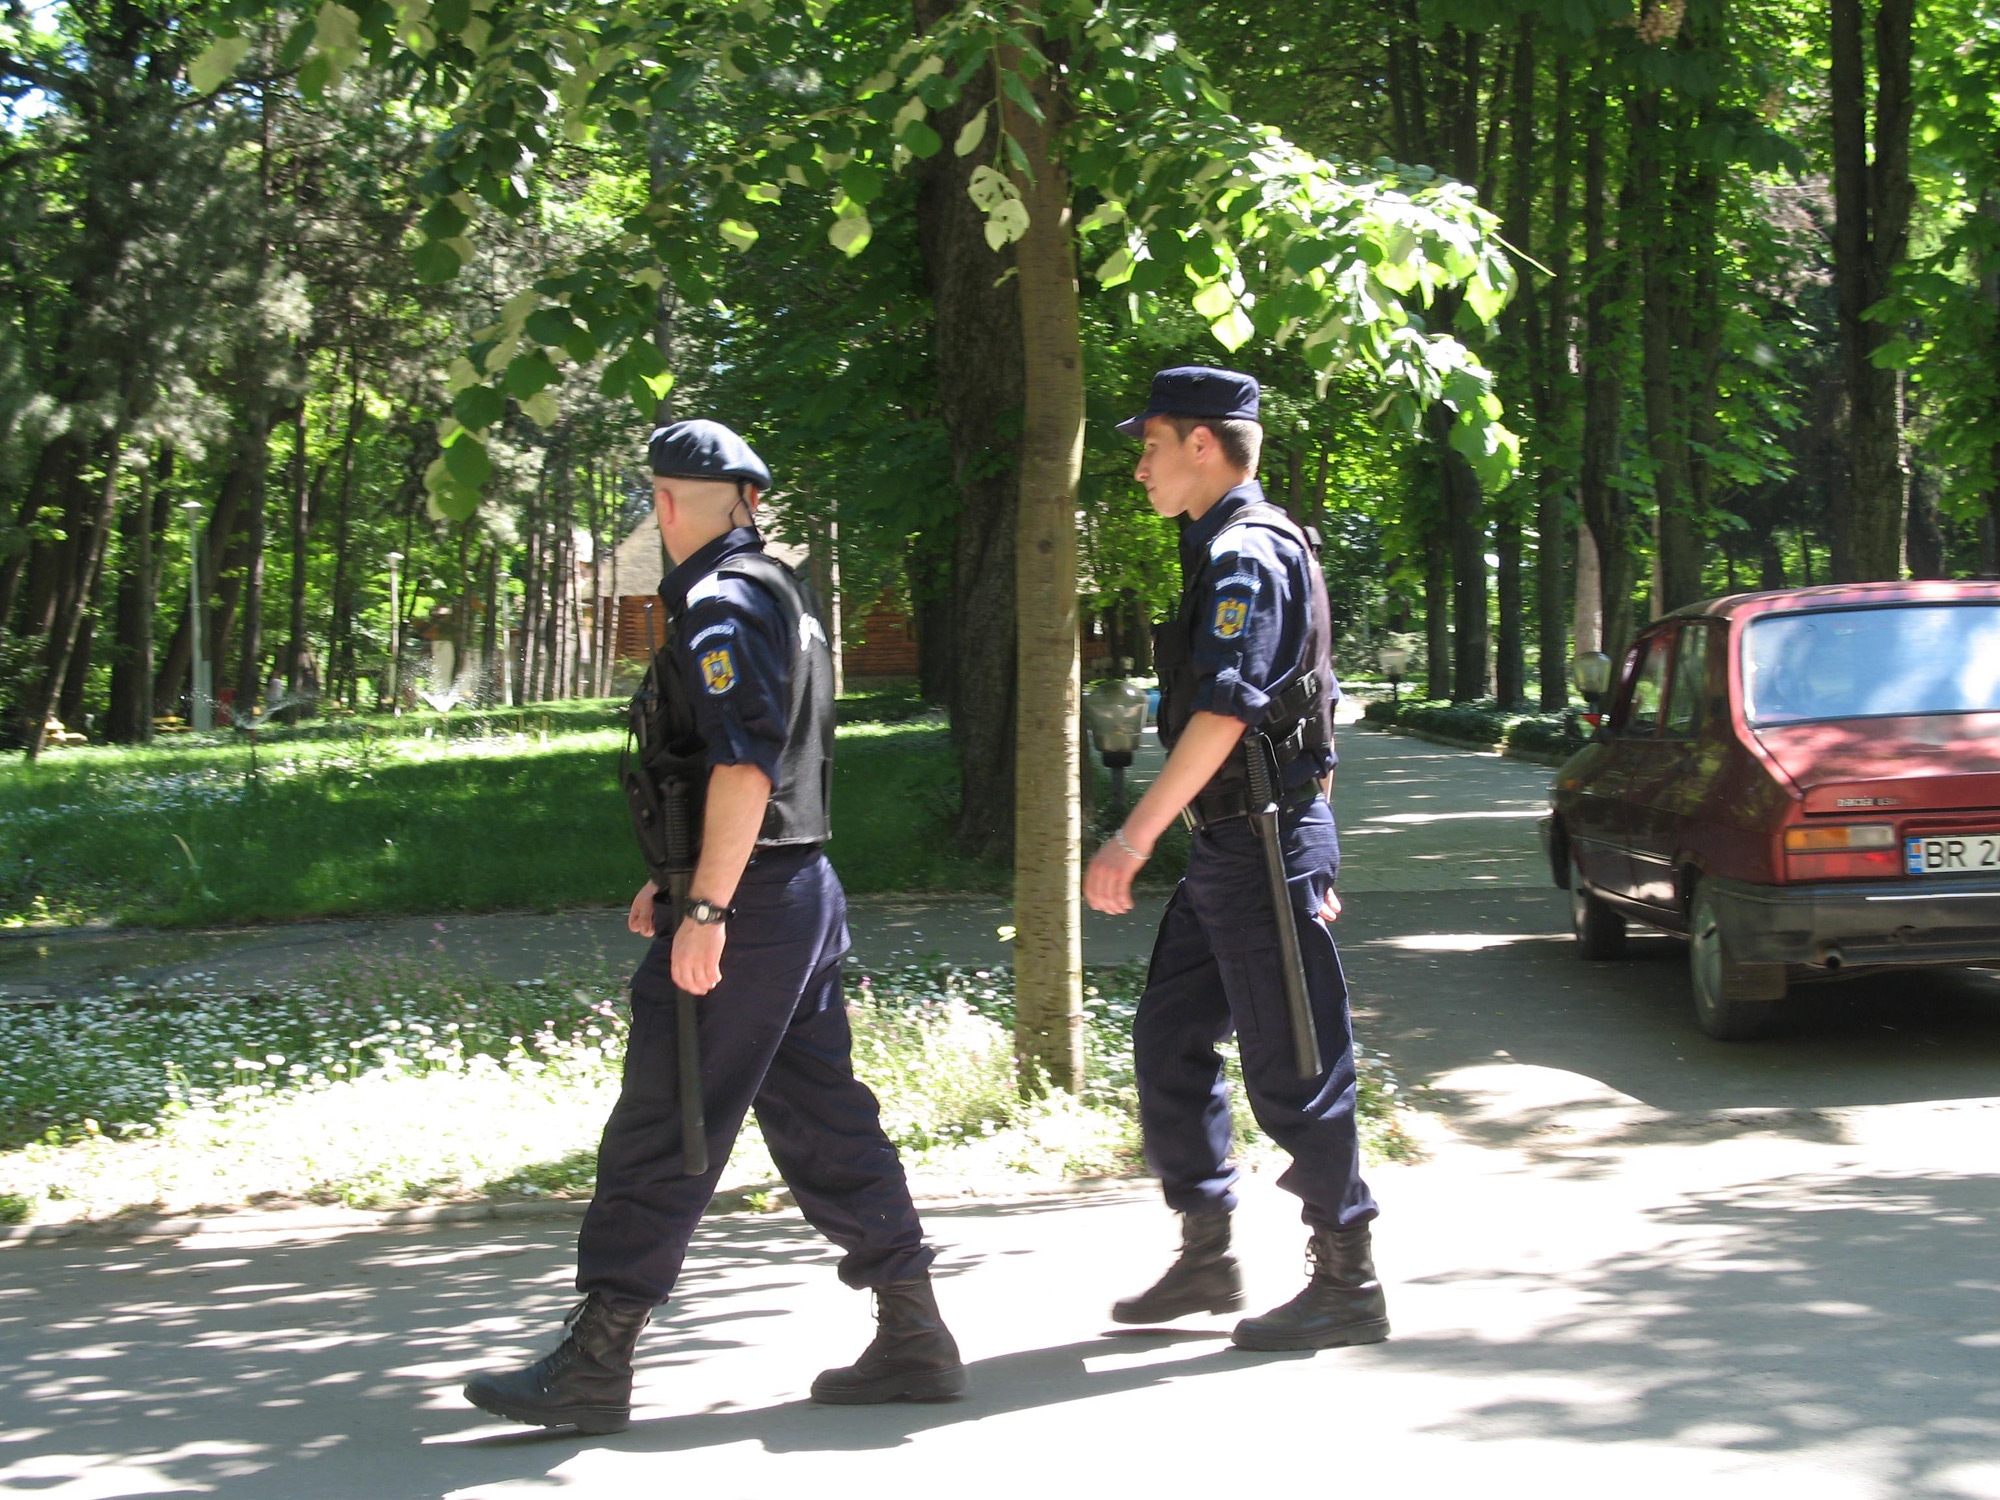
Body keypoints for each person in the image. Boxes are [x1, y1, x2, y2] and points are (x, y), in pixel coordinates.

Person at [462, 419, 964, 1434]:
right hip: (795, 888)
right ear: (750, 498)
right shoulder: (780, 590)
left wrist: (705, 906)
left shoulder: (721, 604)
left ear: (666, 501)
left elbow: (743, 766)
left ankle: (596, 1360)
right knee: (823, 1116)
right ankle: (912, 1329)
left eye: (655, 496)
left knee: (667, 1112)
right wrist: (682, 879)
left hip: (752, 907)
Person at [1083, 367, 1388, 1353]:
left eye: (1150, 446)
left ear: (1203, 444)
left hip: (1259, 843)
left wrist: (1133, 837)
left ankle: (1347, 1277)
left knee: (1295, 1061)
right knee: (1169, 1035)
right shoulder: (1237, 542)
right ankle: (1206, 1251)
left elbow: (1227, 711)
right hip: (1243, 843)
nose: (1139, 469)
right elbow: (1315, 702)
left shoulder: (1245, 552)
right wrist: (1316, 834)